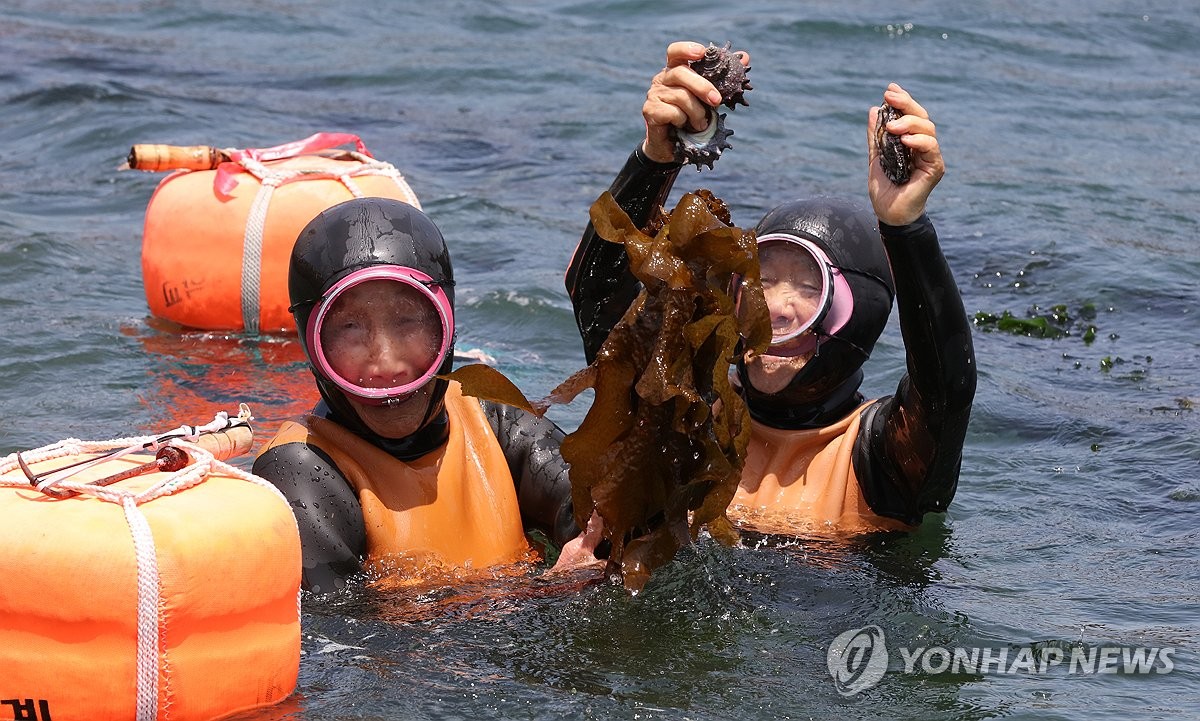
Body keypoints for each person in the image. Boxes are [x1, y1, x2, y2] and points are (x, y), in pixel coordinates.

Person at [566, 42, 976, 534]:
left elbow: (946, 386)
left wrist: (905, 226)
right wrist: (657, 156)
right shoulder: (690, 417)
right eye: (761, 281)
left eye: (809, 288)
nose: (777, 308)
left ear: (861, 312)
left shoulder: (882, 458)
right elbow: (595, 299)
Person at [253, 197, 586, 593]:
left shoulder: (489, 418)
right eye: (351, 329)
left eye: (408, 320)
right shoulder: (300, 470)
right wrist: (549, 594)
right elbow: (350, 638)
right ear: (312, 344)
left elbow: (597, 503)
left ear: (447, 326)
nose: (386, 363)